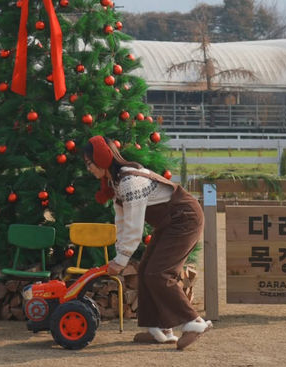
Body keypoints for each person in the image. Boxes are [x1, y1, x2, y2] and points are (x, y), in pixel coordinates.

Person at [83, 135, 212, 350]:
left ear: (102, 158)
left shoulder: (130, 182)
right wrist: (119, 256)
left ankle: (193, 322)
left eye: (89, 163)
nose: (88, 168)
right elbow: (122, 223)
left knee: (159, 273)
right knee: (145, 271)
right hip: (171, 222)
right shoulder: (117, 182)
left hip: (185, 218)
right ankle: (161, 329)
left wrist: (122, 259)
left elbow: (134, 227)